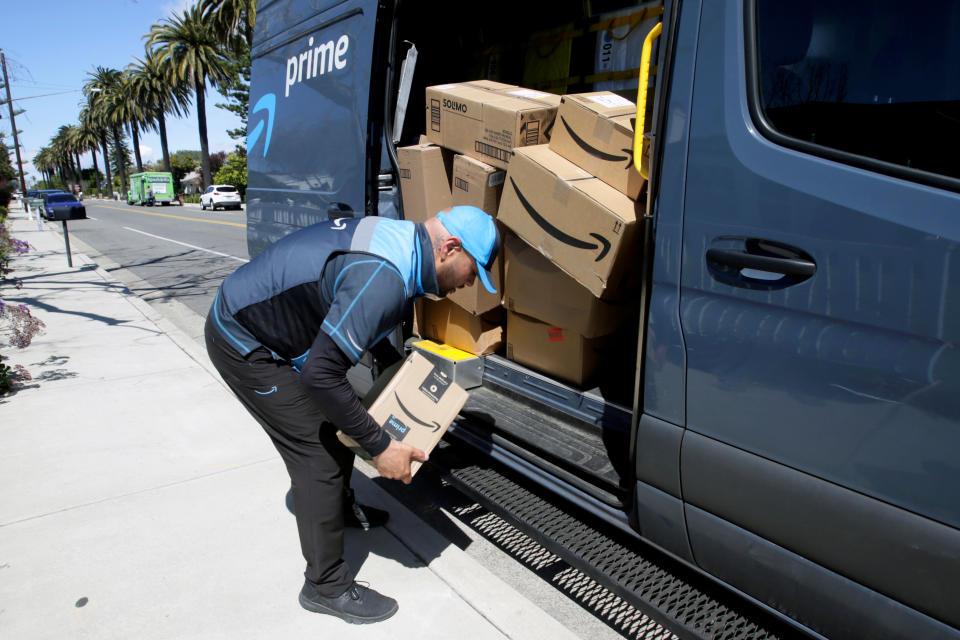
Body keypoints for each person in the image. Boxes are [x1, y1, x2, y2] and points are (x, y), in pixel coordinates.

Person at [204, 205, 500, 624]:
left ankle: (337, 510)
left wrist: (402, 379)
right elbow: (320, 377)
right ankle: (325, 586)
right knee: (319, 453)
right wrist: (381, 449)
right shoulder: (385, 276)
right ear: (450, 249)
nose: (470, 282)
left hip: (269, 327)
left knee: (341, 424)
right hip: (242, 340)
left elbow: (362, 319)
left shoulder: (403, 244)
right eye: (473, 271)